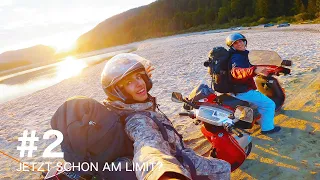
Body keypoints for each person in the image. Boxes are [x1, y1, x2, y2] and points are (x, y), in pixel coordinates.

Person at [101, 53, 231, 180]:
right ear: (119, 92)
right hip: (180, 164)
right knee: (223, 167)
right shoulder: (137, 120)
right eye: (129, 82)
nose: (140, 84)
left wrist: (139, 79)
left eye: (139, 77)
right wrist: (163, 174)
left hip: (178, 153)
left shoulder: (130, 107)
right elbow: (148, 148)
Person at [225, 33, 281, 135]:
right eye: (236, 43)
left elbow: (255, 64)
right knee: (269, 104)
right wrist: (253, 70)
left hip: (238, 88)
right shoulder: (236, 57)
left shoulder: (244, 54)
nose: (239, 44)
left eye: (241, 41)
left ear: (245, 41)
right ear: (232, 46)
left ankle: (258, 119)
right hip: (242, 91)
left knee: (259, 102)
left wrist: (273, 68)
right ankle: (268, 129)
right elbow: (236, 71)